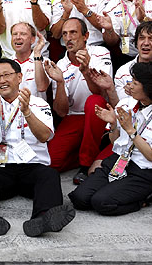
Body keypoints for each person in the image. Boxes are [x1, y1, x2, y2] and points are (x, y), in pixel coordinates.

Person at [0, 58, 75, 237]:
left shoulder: (38, 104)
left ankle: (43, 219)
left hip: (33, 167)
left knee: (49, 176)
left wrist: (27, 112)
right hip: (1, 169)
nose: (2, 80)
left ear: (19, 77)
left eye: (6, 75)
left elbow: (45, 136)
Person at [93, 21, 152, 198]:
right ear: (136, 42)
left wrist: (148, 97)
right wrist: (111, 90)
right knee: (94, 170)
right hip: (129, 135)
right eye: (141, 38)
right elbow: (121, 108)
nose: (146, 43)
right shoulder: (124, 70)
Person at [69, 62, 152, 216]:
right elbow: (115, 142)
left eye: (135, 82)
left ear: (151, 88)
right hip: (117, 162)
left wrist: (130, 130)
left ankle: (143, 199)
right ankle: (115, 190)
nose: (130, 85)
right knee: (79, 199)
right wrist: (113, 123)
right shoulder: (126, 104)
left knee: (101, 203)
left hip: (142, 172)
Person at [43, 18, 112, 182]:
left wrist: (86, 71)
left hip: (100, 113)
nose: (68, 38)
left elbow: (101, 94)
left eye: (73, 33)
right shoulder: (60, 64)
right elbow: (61, 111)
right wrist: (60, 82)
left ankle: (86, 164)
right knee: (51, 162)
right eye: (65, 34)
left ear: (86, 36)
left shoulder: (100, 53)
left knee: (93, 101)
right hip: (75, 116)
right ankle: (91, 153)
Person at [10, 22, 50, 100]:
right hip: (13, 111)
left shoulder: (44, 61)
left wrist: (37, 54)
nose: (18, 37)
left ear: (32, 39)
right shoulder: (6, 63)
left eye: (23, 34)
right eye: (14, 34)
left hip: (36, 110)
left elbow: (42, 87)